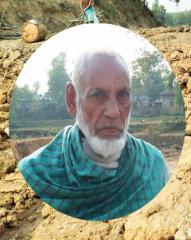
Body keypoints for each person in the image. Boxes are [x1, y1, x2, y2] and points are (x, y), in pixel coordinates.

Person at [18, 49, 169, 221]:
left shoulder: (153, 165)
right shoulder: (35, 174)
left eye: (122, 94)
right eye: (97, 95)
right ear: (72, 100)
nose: (113, 112)